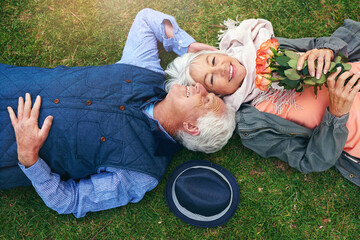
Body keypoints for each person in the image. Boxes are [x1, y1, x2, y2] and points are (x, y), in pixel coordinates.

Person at [0, 8, 236, 218]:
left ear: (191, 127)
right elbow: (145, 19)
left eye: (206, 99)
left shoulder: (141, 174)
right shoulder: (145, 70)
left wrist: (28, 157)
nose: (201, 87)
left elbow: (69, 201)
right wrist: (184, 45)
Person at [165, 18, 360, 186]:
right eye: (212, 79)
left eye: (214, 60)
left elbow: (320, 44)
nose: (222, 69)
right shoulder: (252, 126)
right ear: (217, 96)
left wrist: (326, 50)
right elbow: (311, 160)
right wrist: (336, 114)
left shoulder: (266, 49)